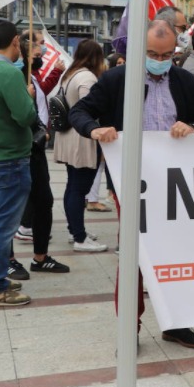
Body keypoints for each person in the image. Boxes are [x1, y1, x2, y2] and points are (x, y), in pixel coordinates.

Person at [70, 20, 194, 349]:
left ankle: (177, 322)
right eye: (151, 53)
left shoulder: (185, 81)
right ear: (138, 51)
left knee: (178, 252)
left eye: (166, 54)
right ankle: (129, 328)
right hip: (132, 180)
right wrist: (95, 129)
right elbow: (79, 112)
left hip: (177, 184)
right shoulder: (116, 79)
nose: (159, 60)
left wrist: (192, 126)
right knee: (135, 254)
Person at [0, 19, 36, 306]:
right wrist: (28, 97)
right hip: (10, 159)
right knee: (2, 227)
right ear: (15, 41)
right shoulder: (9, 74)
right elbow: (25, 117)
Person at [11, 37, 70, 274]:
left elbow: (40, 93)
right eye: (38, 46)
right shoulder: (17, 75)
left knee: (44, 202)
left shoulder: (32, 76)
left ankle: (40, 257)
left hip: (36, 150)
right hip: (20, 150)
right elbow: (20, 112)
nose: (42, 51)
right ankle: (7, 261)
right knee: (11, 206)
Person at [53, 40, 109, 253]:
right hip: (82, 140)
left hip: (68, 137)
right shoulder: (87, 77)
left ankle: (74, 229)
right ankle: (79, 237)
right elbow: (90, 106)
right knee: (79, 189)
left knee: (72, 187)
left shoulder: (70, 73)